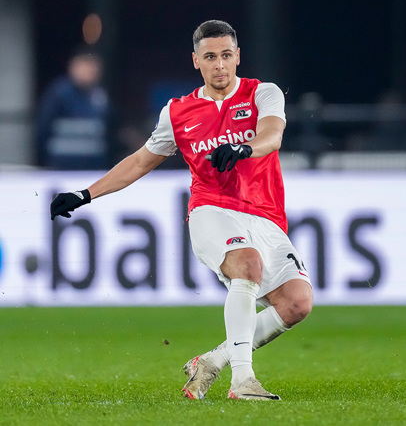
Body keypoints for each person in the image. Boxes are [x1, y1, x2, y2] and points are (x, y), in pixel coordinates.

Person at [50, 20, 313, 401]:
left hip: (264, 214)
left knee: (296, 303)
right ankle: (243, 381)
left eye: (226, 55)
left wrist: (245, 148)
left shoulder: (262, 93)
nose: (219, 65)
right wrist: (85, 193)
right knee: (247, 264)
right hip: (211, 209)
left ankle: (212, 361)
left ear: (238, 56)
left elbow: (272, 135)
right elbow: (140, 161)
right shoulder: (178, 112)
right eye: (211, 57)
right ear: (196, 61)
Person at [36, 46, 112, 170]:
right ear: (73, 67)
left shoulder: (100, 95)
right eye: (85, 66)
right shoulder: (59, 93)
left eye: (93, 67)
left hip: (94, 166)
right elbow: (43, 129)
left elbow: (108, 129)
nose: (90, 71)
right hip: (63, 166)